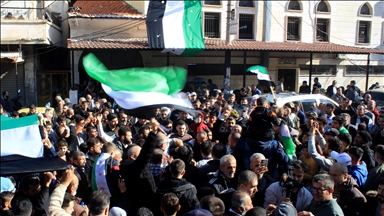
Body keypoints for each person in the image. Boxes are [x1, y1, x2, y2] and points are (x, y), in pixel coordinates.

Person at [119, 119, 159, 214]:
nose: (142, 154)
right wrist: (152, 134)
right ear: (132, 157)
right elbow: (144, 157)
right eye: (140, 152)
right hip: (140, 206)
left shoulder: (138, 165)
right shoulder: (130, 167)